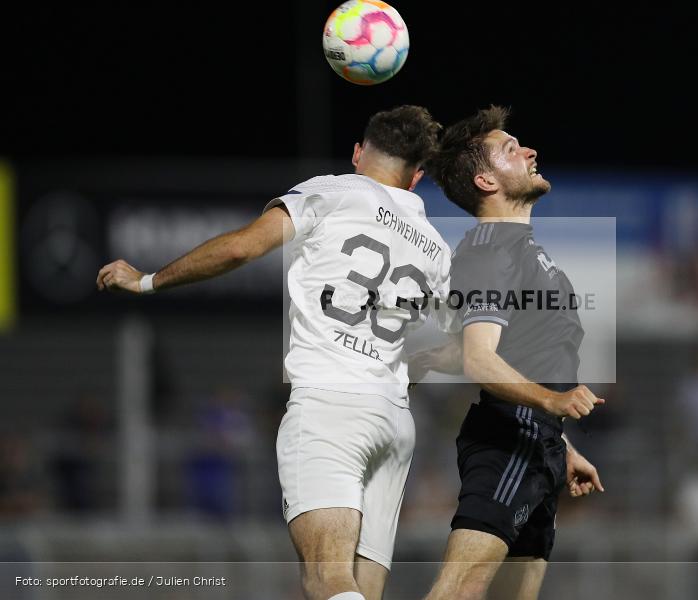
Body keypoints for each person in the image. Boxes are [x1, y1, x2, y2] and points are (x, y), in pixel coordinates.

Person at [96, 105, 449, 600]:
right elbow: (451, 346)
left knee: (327, 580)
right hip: (394, 420)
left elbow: (240, 248)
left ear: (357, 153)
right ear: (417, 177)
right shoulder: (435, 246)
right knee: (363, 591)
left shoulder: (332, 191)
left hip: (331, 407)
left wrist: (148, 280)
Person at [413, 106, 603, 600]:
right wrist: (553, 402)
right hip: (510, 443)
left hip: (539, 443)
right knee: (458, 592)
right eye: (511, 149)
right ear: (486, 180)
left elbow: (514, 351)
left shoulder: (517, 249)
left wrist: (563, 446)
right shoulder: (491, 250)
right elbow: (479, 360)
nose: (530, 152)